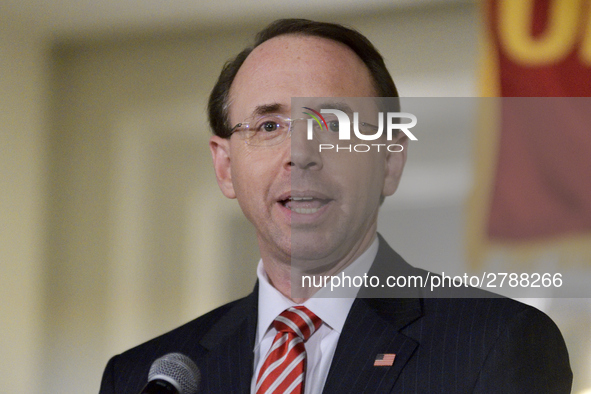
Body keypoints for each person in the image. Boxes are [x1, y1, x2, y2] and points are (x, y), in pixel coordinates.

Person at [99, 19, 572, 393]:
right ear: (225, 167)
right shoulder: (142, 378)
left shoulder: (498, 344)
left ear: (389, 160)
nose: (301, 153)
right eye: (268, 126)